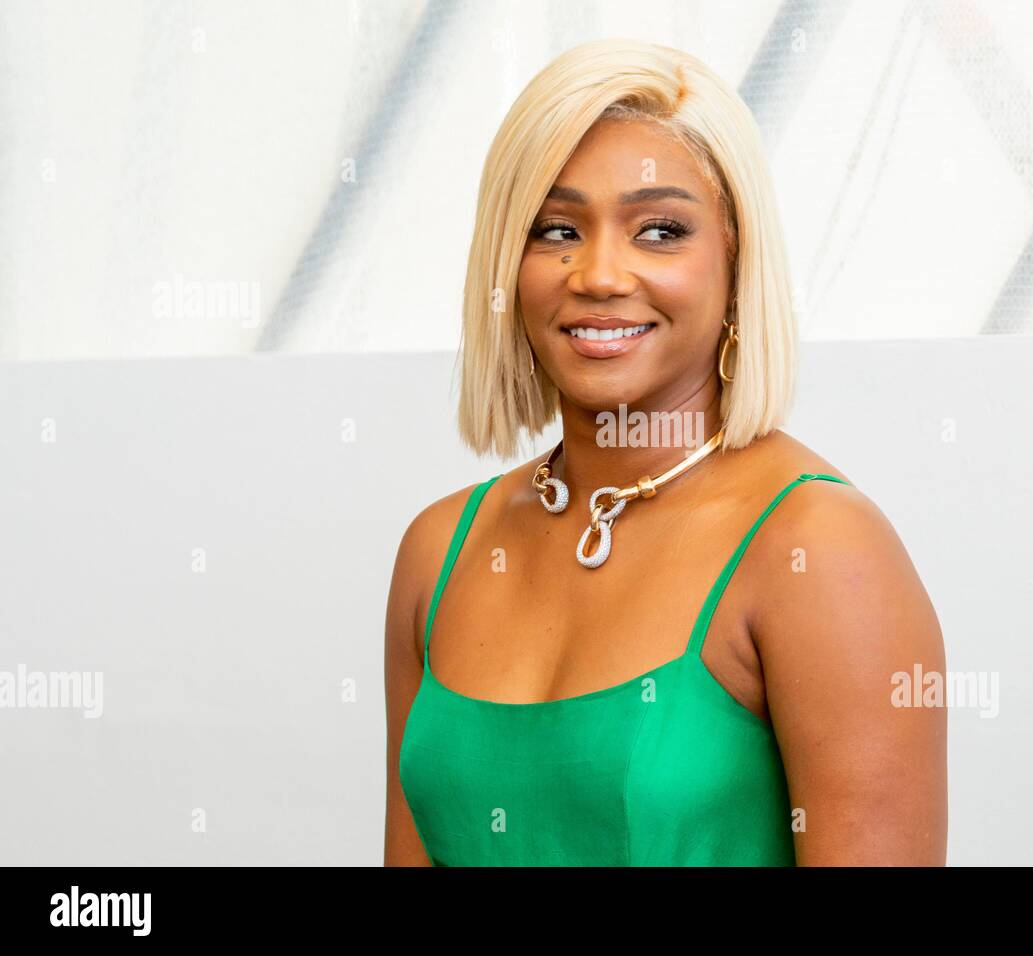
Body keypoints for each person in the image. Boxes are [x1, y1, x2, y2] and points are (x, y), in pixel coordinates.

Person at [383, 38, 946, 866]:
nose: (600, 274)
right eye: (555, 229)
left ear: (736, 260)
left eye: (659, 230)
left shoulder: (817, 549)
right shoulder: (441, 553)